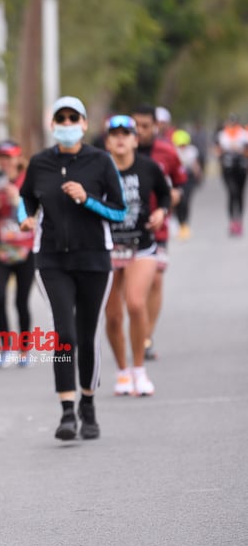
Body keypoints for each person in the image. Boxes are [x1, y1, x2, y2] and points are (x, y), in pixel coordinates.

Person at [19, 96, 126, 441]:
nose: (66, 124)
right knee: (64, 333)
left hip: (95, 258)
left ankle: (88, 403)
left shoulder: (101, 161)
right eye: (60, 119)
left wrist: (86, 199)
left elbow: (120, 211)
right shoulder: (39, 163)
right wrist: (26, 219)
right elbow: (26, 200)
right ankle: (67, 410)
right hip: (52, 259)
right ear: (52, 125)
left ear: (83, 124)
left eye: (73, 118)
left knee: (86, 333)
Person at [101, 115, 172, 397]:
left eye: (126, 133)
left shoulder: (149, 167)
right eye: (114, 133)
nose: (120, 138)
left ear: (135, 139)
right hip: (106, 247)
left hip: (140, 244)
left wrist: (160, 212)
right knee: (113, 315)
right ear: (107, 140)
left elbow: (165, 195)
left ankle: (139, 370)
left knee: (134, 303)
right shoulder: (97, 169)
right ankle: (122, 372)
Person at [131, 105, 187, 361]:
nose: (140, 132)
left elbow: (179, 183)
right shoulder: (117, 150)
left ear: (156, 126)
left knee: (155, 280)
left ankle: (146, 336)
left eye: (145, 126)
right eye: (136, 126)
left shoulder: (166, 151)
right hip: (125, 227)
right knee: (129, 289)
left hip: (158, 226)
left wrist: (173, 197)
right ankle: (135, 327)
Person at [0, 140, 34, 368]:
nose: (6, 162)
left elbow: (33, 215)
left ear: (19, 158)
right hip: (1, 249)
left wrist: (16, 198)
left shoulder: (30, 181)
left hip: (26, 249)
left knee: (21, 301)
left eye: (10, 157)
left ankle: (24, 348)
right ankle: (5, 347)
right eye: (2, 157)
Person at [214, 113, 248, 237]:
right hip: (228, 168)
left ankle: (239, 221)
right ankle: (232, 221)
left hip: (241, 167)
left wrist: (240, 151)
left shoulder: (243, 133)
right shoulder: (222, 134)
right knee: (232, 193)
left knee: (239, 195)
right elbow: (217, 149)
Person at [172, 129, 203, 240]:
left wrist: (198, 175)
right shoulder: (173, 151)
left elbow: (195, 165)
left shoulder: (192, 151)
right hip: (176, 180)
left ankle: (184, 224)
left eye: (184, 145)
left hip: (188, 179)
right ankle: (178, 223)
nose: (182, 147)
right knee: (177, 203)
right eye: (180, 145)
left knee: (186, 202)